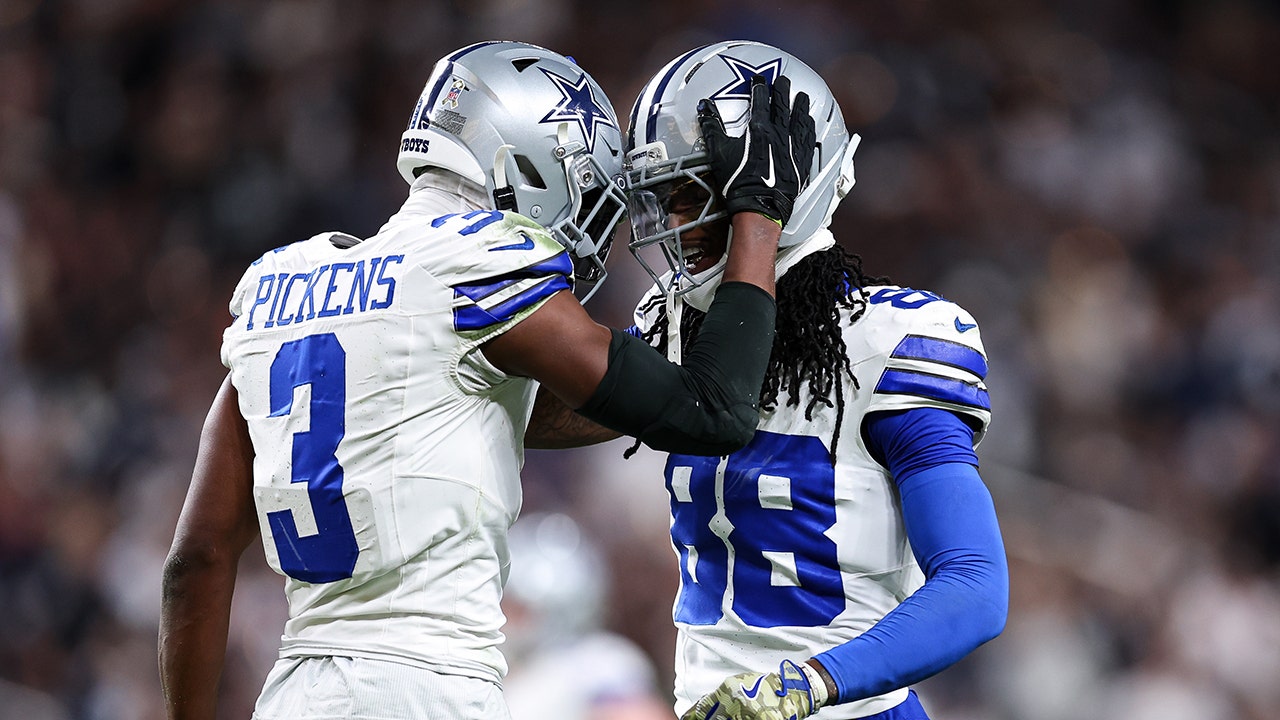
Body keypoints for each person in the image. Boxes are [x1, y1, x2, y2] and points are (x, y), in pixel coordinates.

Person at [158, 40, 817, 720]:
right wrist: (758, 220)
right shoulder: (478, 262)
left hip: (295, 693)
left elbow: (196, 559)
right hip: (429, 689)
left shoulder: (280, 290)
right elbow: (713, 412)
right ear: (528, 163)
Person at [527, 40, 1009, 720]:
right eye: (662, 199)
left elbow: (975, 585)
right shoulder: (678, 326)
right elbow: (541, 420)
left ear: (782, 188)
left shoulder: (890, 340)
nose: (673, 225)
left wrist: (805, 683)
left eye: (692, 194)